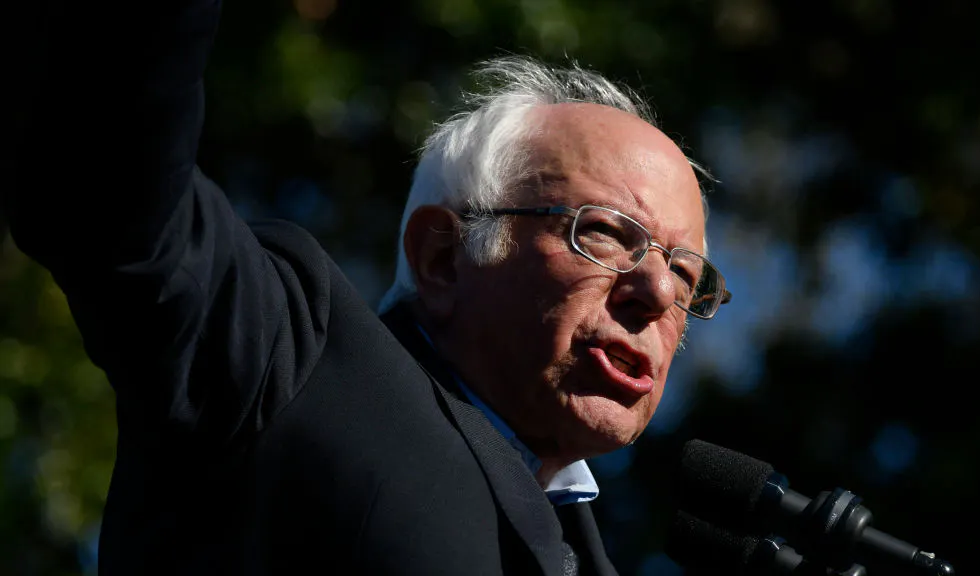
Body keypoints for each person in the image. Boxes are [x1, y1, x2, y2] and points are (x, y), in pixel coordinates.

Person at [8, 1, 730, 575]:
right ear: (443, 255)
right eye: (605, 233)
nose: (659, 292)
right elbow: (105, 178)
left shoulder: (596, 553)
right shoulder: (289, 360)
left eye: (686, 273)